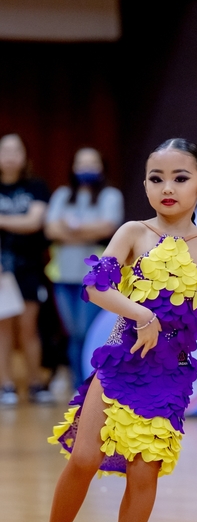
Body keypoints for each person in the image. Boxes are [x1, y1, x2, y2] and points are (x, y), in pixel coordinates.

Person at [27, 138, 197, 522]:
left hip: (168, 375)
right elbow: (95, 287)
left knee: (144, 474)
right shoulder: (133, 232)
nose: (168, 187)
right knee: (84, 458)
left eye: (181, 178)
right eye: (156, 178)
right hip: (121, 359)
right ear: (145, 185)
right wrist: (142, 314)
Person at [44, 147, 124, 390]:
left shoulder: (110, 195)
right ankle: (78, 384)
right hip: (63, 275)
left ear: (102, 167)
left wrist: (70, 229)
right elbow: (51, 230)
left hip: (95, 277)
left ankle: (96, 382)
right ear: (72, 167)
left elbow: (107, 227)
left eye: (92, 163)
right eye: (81, 164)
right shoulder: (62, 195)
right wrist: (86, 231)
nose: (86, 169)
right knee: (72, 333)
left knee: (86, 330)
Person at [0, 133, 53, 405]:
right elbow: (24, 221)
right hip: (1, 270)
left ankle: (36, 383)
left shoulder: (36, 186)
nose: (10, 156)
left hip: (29, 267)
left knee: (28, 327)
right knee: (3, 329)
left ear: (24, 156)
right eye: (5, 150)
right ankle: (6, 385)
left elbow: (34, 222)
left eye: (16, 150)